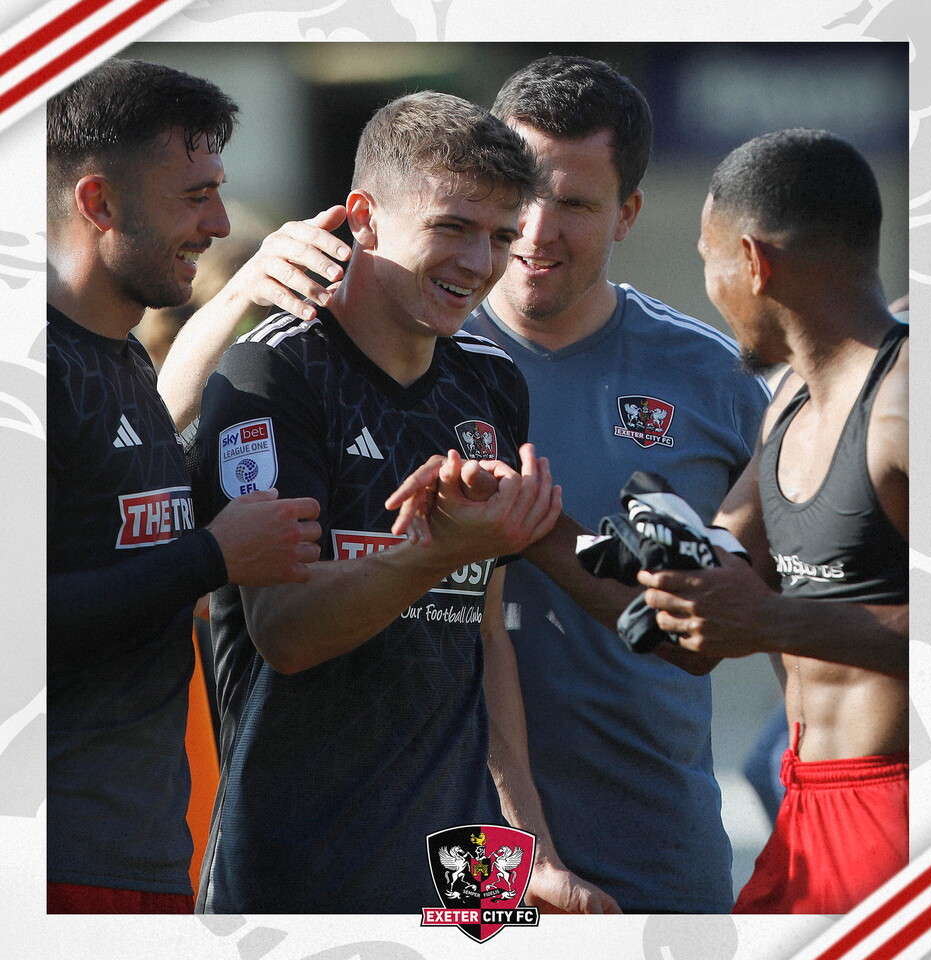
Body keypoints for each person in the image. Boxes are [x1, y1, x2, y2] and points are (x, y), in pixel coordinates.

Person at [188, 90, 617, 914]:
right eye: (453, 227)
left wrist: (528, 854)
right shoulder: (271, 373)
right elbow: (284, 632)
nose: (479, 263)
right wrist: (434, 552)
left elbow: (482, 639)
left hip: (460, 881)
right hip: (293, 883)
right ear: (365, 218)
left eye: (499, 236)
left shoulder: (489, 382)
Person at [459, 55, 772, 913]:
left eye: (574, 203)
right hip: (467, 835)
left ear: (629, 212)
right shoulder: (415, 356)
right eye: (519, 193)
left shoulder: (712, 378)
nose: (535, 229)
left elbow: (777, 606)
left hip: (658, 840)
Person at [46, 58, 329, 913]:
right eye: (193, 194)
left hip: (144, 849)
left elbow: (144, 445)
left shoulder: (120, 351)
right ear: (98, 203)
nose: (216, 221)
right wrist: (210, 557)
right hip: (52, 858)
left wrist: (245, 288)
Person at [639, 129, 908, 914]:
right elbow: (708, 590)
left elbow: (759, 613)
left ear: (752, 263)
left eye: (706, 260)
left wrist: (768, 618)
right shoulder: (787, 399)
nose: (711, 290)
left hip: (901, 814)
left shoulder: (908, 405)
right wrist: (532, 526)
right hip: (801, 809)